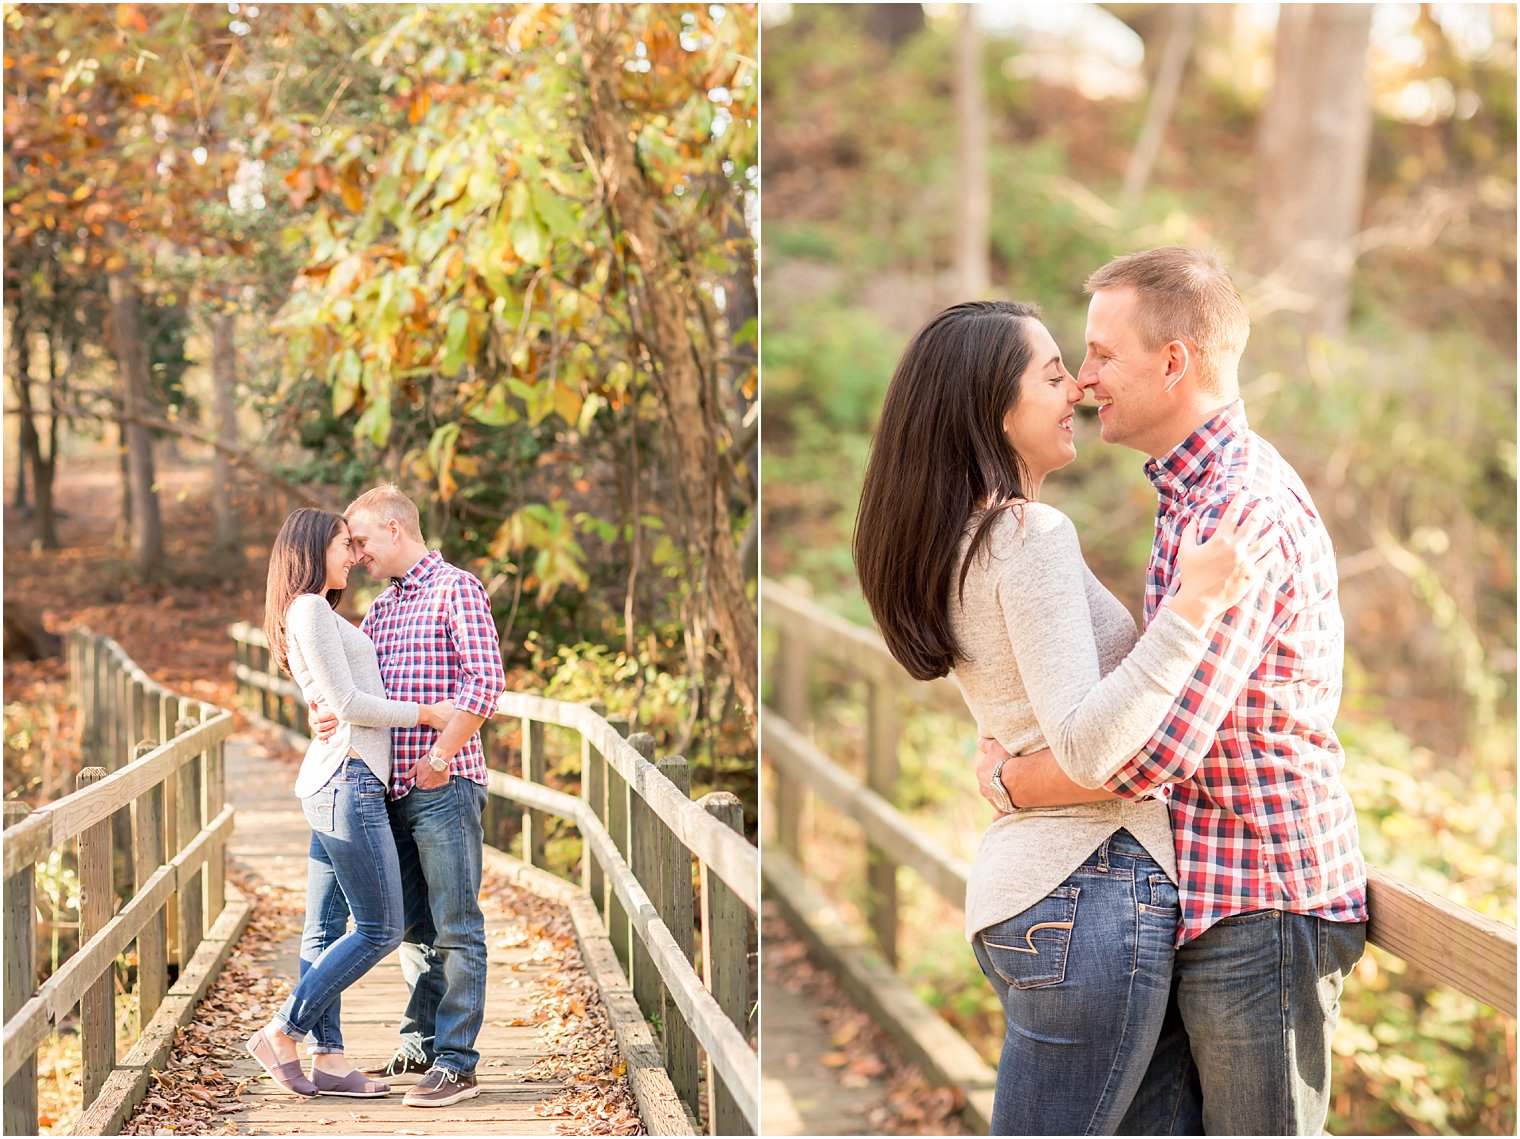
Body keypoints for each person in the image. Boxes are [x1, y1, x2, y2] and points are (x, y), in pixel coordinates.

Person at [854, 299, 1272, 1135]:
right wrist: (1192, 610)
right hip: (1091, 890)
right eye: (1052, 375)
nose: (1078, 386)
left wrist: (1008, 782)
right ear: (992, 410)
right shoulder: (1029, 534)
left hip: (1049, 897)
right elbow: (1086, 744)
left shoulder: (961, 541)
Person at [981, 247, 1368, 1136]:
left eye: (1103, 354)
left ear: (1174, 360)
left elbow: (1160, 749)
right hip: (1204, 897)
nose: (1085, 379)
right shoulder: (1188, 500)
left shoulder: (1241, 509)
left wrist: (1014, 781)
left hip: (1262, 901)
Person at [247, 508, 455, 1099]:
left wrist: (325, 710)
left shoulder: (311, 611)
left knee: (323, 931)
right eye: (344, 544)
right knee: (382, 927)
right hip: (350, 780)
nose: (353, 556)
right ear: (315, 549)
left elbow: (326, 700)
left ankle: (331, 1061)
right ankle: (283, 1030)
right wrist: (427, 714)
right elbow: (348, 702)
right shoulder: (310, 607)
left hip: (335, 777)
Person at [309, 484, 506, 1109]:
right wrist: (325, 715)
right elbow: (360, 697)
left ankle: (457, 1062)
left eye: (362, 540)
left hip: (446, 783)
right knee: (413, 928)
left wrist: (442, 756)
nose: (358, 554)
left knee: (455, 925)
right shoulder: (381, 611)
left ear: (395, 530)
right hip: (385, 789)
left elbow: (485, 685)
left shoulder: (458, 588)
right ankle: (419, 1042)